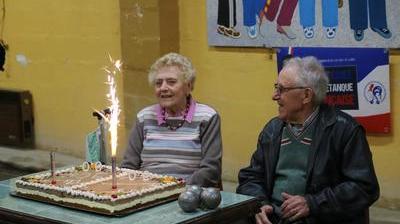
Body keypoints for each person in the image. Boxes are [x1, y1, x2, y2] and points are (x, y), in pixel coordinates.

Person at [236, 56, 379, 224]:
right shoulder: (273, 130)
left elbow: (364, 188)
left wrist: (312, 203)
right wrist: (259, 203)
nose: (274, 96)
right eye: (276, 87)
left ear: (306, 95)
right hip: (272, 216)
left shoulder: (344, 130)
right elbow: (251, 177)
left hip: (317, 217)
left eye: (282, 89)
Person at [121, 52, 222, 188]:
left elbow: (210, 170)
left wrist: (175, 190)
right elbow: (129, 166)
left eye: (171, 82)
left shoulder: (207, 117)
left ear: (189, 86)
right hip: (146, 192)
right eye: (158, 83)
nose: (163, 88)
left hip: (188, 193)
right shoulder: (144, 117)